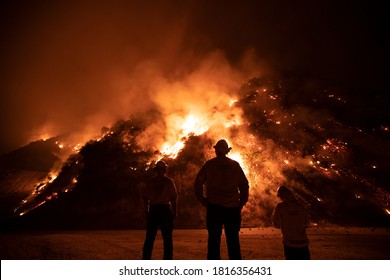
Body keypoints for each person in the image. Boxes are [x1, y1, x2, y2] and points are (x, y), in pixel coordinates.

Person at [194, 139, 249, 260]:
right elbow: (244, 185)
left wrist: (203, 200)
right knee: (233, 240)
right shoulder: (235, 165)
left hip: (214, 207)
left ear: (216, 151)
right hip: (232, 208)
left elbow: (198, 183)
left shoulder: (209, 165)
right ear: (226, 151)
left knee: (213, 240)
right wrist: (241, 203)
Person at [142, 160, 178, 260]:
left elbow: (145, 197)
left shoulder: (151, 182)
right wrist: (175, 212)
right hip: (165, 210)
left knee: (150, 237)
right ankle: (167, 260)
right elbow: (174, 198)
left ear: (156, 170)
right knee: (167, 238)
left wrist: (146, 211)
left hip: (154, 210)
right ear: (165, 170)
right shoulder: (169, 182)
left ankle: (146, 259)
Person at [272, 185, 310, 260]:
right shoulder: (302, 206)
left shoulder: (280, 207)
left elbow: (276, 224)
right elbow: (307, 223)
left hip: (289, 244)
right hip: (303, 243)